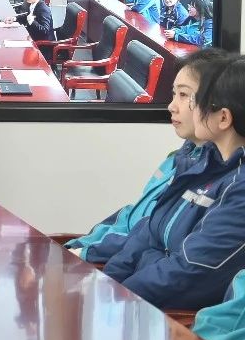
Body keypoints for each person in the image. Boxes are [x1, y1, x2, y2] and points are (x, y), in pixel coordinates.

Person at [102, 56, 245, 310]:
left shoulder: (238, 187)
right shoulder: (203, 163)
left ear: (223, 118)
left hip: (170, 315)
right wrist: (107, 285)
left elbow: (191, 269)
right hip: (140, 297)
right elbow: (149, 232)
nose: (176, 107)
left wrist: (115, 300)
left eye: (194, 101)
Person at [64, 48, 232, 263]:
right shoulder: (177, 158)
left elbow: (150, 238)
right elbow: (129, 217)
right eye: (174, 94)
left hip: (116, 265)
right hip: (106, 255)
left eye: (184, 95)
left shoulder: (215, 179)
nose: (172, 106)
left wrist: (85, 254)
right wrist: (79, 246)